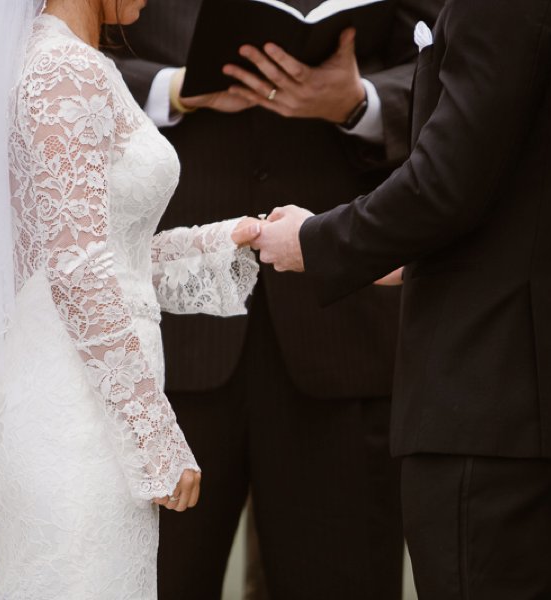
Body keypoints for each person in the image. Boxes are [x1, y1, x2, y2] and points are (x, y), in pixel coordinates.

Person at [252, 0, 551, 597]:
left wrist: (315, 241)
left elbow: (444, 183)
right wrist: (403, 259)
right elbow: (543, 182)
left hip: (483, 399)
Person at [0, 0, 261, 598]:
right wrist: (155, 436)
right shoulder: (63, 70)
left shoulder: (72, 63)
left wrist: (223, 242)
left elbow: (108, 257)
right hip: (74, 415)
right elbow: (79, 273)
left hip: (83, 400)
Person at [108, 0, 442, 597]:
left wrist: (358, 101)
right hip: (164, 334)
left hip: (343, 327)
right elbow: (47, 52)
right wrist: (173, 90)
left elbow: (461, 60)